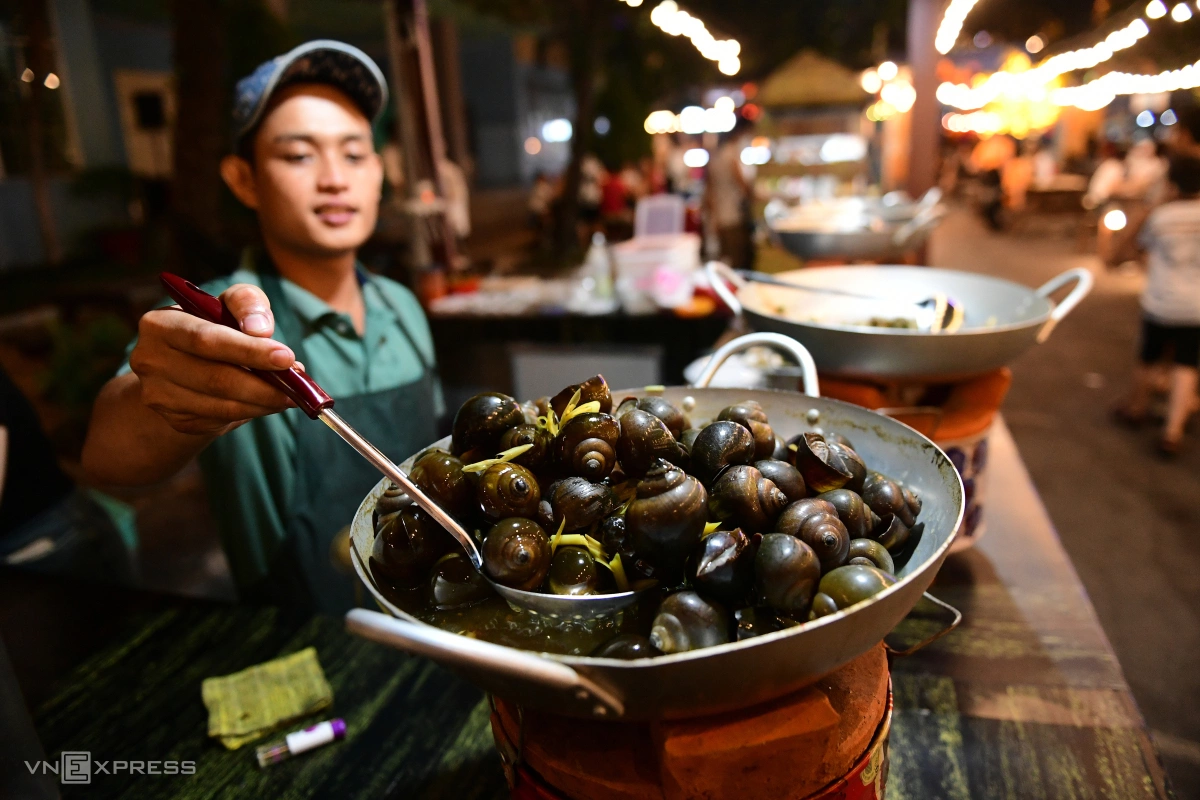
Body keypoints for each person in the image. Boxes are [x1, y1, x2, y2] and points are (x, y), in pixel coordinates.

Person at [82, 41, 443, 612]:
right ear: (243, 178)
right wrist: (171, 398)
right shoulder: (224, 326)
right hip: (303, 630)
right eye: (299, 155)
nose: (333, 179)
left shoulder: (402, 305)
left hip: (433, 617)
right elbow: (108, 456)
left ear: (379, 171)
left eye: (354, 154)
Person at [1114, 156, 1200, 456]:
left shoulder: (1162, 217)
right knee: (1186, 365)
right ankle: (1173, 432)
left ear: (1172, 183)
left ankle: (1137, 409)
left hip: (1161, 302)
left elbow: (1130, 250)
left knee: (1149, 358)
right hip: (1195, 307)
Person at [706, 117, 755, 269]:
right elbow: (743, 184)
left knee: (727, 260)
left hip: (721, 217)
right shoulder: (731, 155)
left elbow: (710, 191)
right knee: (739, 260)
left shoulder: (716, 157)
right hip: (734, 216)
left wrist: (713, 217)